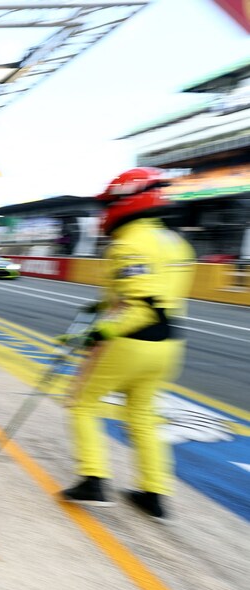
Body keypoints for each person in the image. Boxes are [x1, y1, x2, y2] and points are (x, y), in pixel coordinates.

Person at [59, 167, 196, 521]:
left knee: (81, 402)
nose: (105, 214)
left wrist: (98, 332)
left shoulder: (128, 244)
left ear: (128, 200)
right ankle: (154, 494)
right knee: (143, 417)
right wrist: (95, 312)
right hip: (168, 346)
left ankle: (93, 480)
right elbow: (150, 297)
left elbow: (140, 306)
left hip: (131, 342)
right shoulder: (176, 242)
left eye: (110, 204)